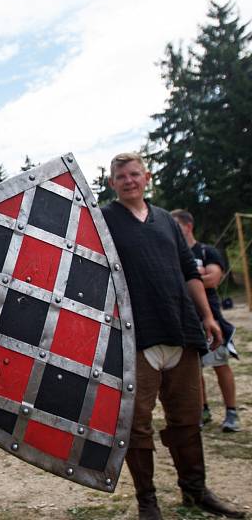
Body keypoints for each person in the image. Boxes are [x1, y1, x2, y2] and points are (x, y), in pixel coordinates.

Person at [101, 153, 244, 519]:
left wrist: (208, 317)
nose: (129, 180)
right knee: (138, 426)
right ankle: (148, 503)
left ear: (145, 177)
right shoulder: (104, 220)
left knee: (187, 418)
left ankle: (195, 491)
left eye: (134, 174)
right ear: (112, 182)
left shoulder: (165, 219)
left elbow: (189, 273)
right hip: (136, 335)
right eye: (121, 176)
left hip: (180, 328)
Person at [171, 209, 241, 432]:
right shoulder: (173, 253)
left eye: (176, 226)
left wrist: (189, 276)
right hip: (184, 319)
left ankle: (231, 412)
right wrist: (192, 274)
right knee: (194, 370)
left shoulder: (206, 250)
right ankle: (203, 409)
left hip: (210, 317)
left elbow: (213, 279)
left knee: (220, 364)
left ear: (187, 226)